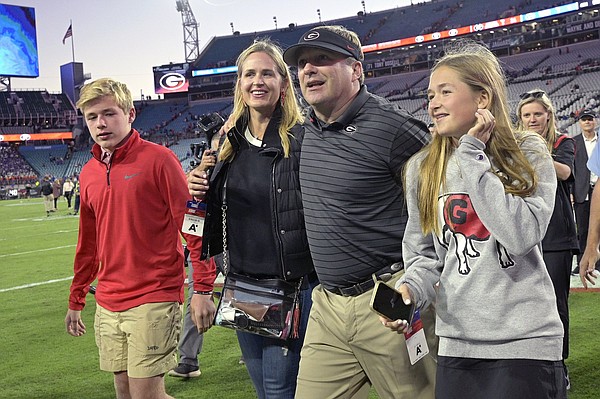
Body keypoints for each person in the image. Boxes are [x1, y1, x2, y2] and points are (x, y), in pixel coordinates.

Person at [381, 41, 566, 399]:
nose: (432, 104)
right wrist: (409, 291)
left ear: (482, 99)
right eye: (430, 94)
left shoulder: (527, 152)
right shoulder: (422, 168)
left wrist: (471, 153)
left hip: (524, 344)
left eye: (445, 92)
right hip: (456, 345)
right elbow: (424, 255)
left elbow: (520, 234)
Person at [282, 25, 437, 398]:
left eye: (322, 60)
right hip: (327, 306)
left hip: (388, 302)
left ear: (356, 70)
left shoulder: (397, 129)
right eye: (302, 64)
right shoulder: (305, 133)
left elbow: (441, 206)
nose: (308, 70)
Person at [64, 78, 215, 399]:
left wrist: (202, 287)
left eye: (109, 113)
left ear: (130, 114)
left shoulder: (159, 160)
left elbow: (193, 224)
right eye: (92, 117)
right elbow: (87, 244)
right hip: (107, 300)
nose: (100, 123)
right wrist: (76, 298)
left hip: (154, 296)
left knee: (147, 395)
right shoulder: (88, 172)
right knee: (124, 392)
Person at [187, 39, 317, 399]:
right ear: (239, 85)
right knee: (263, 389)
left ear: (283, 84)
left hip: (289, 285)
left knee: (278, 390)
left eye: (267, 73)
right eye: (249, 74)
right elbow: (203, 216)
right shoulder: (226, 145)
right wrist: (198, 183)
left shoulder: (303, 139)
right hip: (242, 285)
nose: (257, 81)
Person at [516, 89, 577, 388]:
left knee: (556, 304)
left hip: (555, 236)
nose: (531, 119)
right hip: (524, 235)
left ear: (548, 115)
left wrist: (533, 153)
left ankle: (558, 365)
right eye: (526, 115)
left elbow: (565, 172)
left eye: (537, 114)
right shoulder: (515, 144)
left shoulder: (563, 143)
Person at [169, 131, 222, 379]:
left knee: (247, 297)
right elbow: (193, 210)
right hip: (207, 241)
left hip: (239, 242)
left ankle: (254, 341)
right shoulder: (198, 174)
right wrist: (200, 172)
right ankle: (188, 359)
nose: (215, 151)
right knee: (197, 297)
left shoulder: (243, 164)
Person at [572, 109, 599, 274]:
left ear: (595, 121)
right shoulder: (574, 142)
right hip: (582, 189)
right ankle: (582, 260)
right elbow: (572, 169)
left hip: (599, 187)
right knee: (582, 228)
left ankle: (598, 261)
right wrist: (571, 191)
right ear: (580, 123)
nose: (587, 122)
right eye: (584, 120)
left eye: (590, 119)